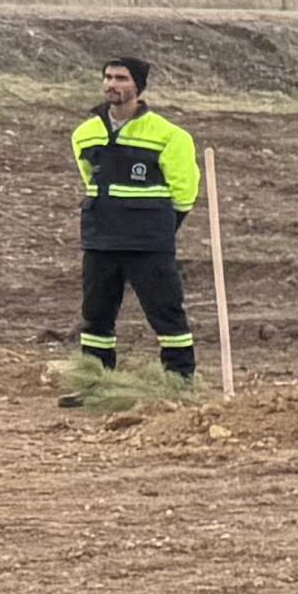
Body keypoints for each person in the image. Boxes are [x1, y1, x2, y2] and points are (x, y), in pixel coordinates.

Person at [70, 57, 200, 387]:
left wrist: (159, 227)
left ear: (137, 87)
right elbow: (92, 180)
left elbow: (184, 192)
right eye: (108, 77)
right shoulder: (84, 135)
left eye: (121, 78)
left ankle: (179, 382)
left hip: (148, 243)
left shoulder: (170, 136)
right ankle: (94, 383)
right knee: (96, 316)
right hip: (100, 241)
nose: (112, 84)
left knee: (167, 314)